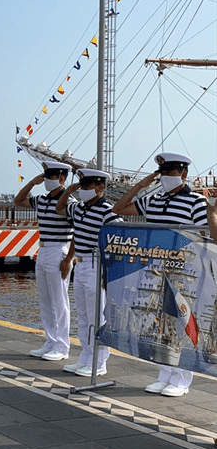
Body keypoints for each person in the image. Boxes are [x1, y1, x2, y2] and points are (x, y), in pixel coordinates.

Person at [113, 152, 207, 397]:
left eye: (171, 172)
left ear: (183, 174)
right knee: (157, 325)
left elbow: (205, 236)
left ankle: (182, 380)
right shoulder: (152, 200)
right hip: (153, 268)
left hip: (183, 270)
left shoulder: (196, 202)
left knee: (180, 324)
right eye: (163, 172)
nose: (166, 177)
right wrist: (142, 185)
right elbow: (118, 208)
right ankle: (164, 374)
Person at [55, 169, 121, 376]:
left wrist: (108, 273)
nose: (83, 190)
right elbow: (60, 208)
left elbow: (116, 243)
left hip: (97, 264)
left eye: (87, 186)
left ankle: (99, 362)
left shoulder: (108, 212)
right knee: (83, 315)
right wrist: (69, 191)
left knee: (97, 317)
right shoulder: (79, 208)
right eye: (82, 186)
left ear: (100, 187)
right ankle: (85, 356)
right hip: (81, 264)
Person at [14, 161, 74, 362]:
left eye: (51, 177)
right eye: (46, 177)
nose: (47, 181)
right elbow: (18, 200)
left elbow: (78, 231)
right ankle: (50, 341)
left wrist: (68, 258)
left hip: (59, 250)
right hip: (43, 249)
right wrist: (32, 182)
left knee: (60, 301)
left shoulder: (69, 203)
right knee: (46, 300)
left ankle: (62, 346)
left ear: (62, 179)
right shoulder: (41, 200)